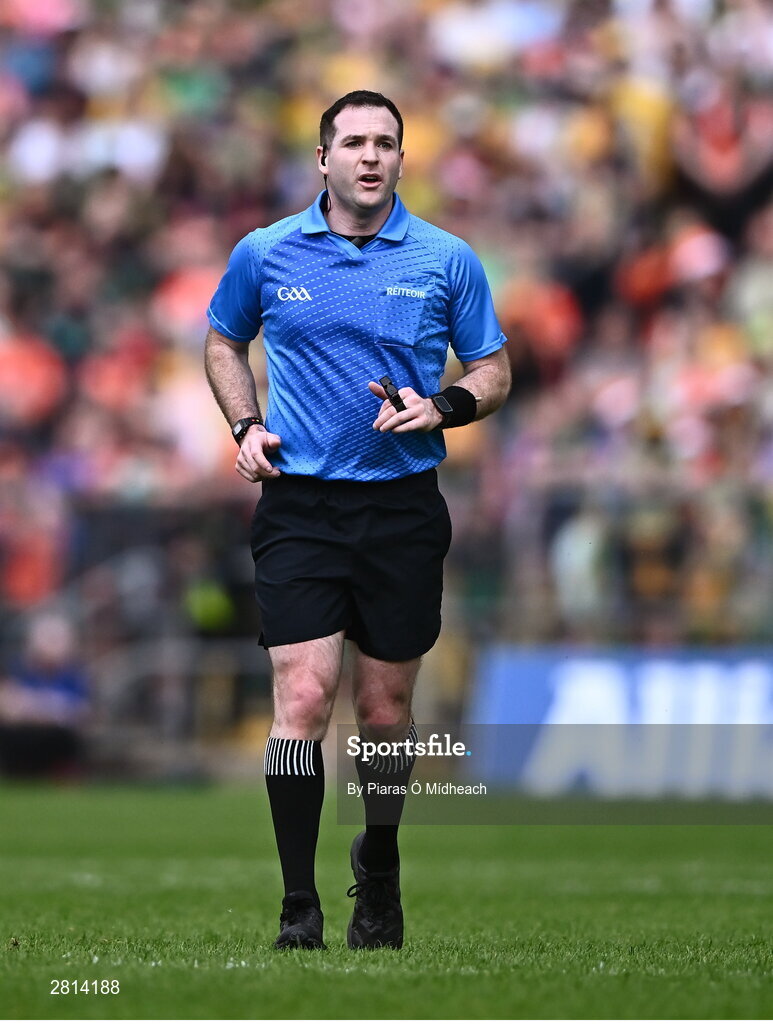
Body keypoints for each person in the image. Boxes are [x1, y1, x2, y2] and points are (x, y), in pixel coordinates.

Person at [204, 90, 510, 950]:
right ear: (322, 160)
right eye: (354, 142)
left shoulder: (447, 259)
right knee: (301, 696)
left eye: (385, 143)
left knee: (383, 712)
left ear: (402, 161)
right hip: (299, 505)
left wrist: (443, 405)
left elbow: (492, 369)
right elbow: (223, 340)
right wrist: (244, 424)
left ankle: (377, 863)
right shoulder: (265, 252)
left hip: (401, 508)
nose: (370, 156)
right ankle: (298, 905)